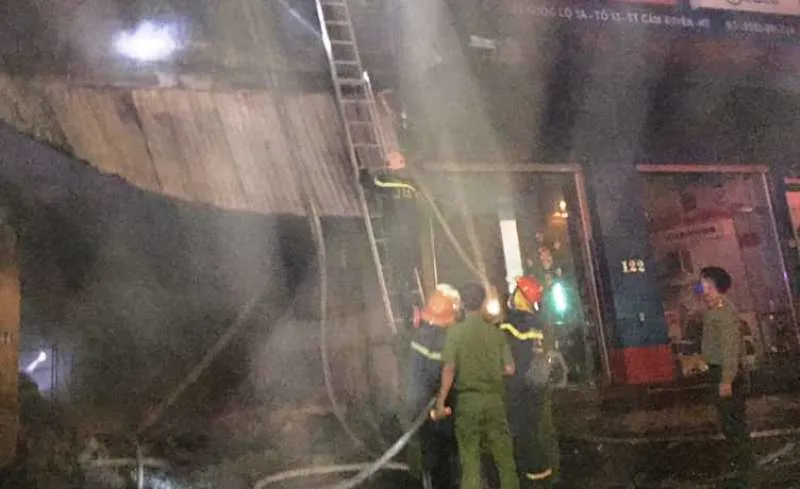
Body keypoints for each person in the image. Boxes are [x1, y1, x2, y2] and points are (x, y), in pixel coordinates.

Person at [432, 283, 519, 489]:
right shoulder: (496, 333)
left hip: (468, 402)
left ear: (462, 304)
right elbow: (510, 369)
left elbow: (449, 368)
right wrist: (489, 370)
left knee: (470, 460)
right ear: (483, 303)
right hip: (494, 401)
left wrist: (441, 400)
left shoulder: (455, 332)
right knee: (505, 459)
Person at [499, 277, 555, 488]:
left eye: (515, 291)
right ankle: (543, 475)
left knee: (522, 434)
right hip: (537, 385)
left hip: (518, 386)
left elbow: (504, 352)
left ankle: (533, 477)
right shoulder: (537, 322)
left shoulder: (512, 323)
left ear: (521, 296)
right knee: (535, 430)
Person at [699, 266, 750, 488]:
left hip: (725, 372)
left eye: (706, 284)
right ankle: (740, 461)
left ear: (716, 286)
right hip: (718, 370)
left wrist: (726, 380)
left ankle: (742, 466)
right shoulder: (712, 309)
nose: (703, 289)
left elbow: (730, 348)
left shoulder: (724, 311)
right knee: (728, 419)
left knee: (732, 420)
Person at [407, 286, 461, 489]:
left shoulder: (420, 336)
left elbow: (416, 374)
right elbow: (447, 371)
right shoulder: (448, 338)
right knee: (447, 461)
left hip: (424, 409)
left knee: (431, 460)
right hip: (441, 408)